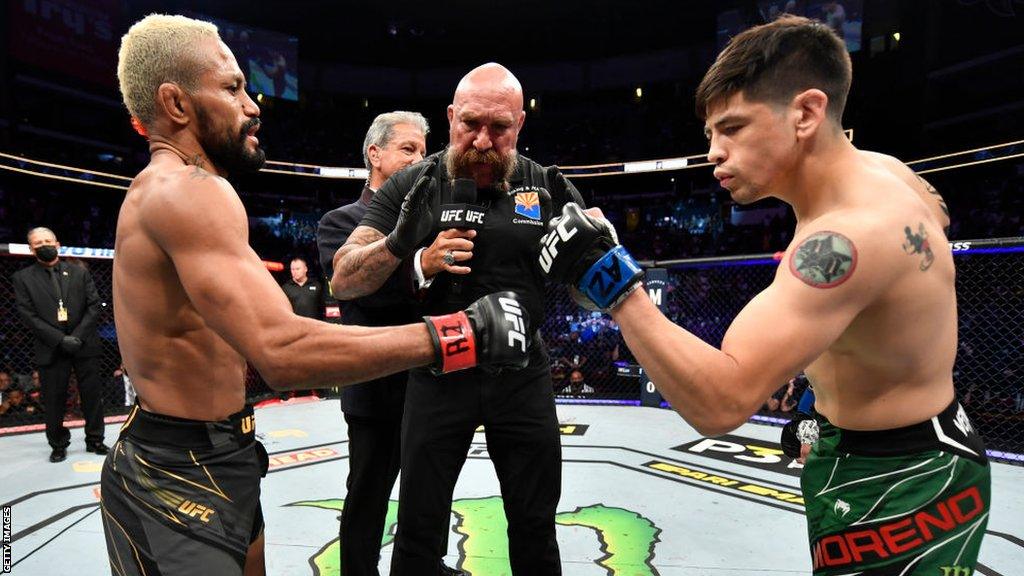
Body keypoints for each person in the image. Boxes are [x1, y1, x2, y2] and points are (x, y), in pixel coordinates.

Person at [538, 16, 988, 575]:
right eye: (710, 135)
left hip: (898, 476)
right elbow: (934, 221)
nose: (713, 152)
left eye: (733, 128)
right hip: (912, 443)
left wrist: (613, 283)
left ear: (805, 113)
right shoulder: (888, 172)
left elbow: (721, 403)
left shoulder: (842, 241)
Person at [107, 15, 532, 576]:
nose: (253, 105)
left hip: (215, 450)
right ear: (177, 104)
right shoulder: (185, 192)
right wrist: (460, 333)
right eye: (233, 88)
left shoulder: (183, 192)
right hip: (176, 469)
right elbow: (282, 352)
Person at [333, 63, 584, 575]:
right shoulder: (413, 182)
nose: (483, 140)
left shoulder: (547, 185)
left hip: (522, 374)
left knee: (536, 524)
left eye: (500, 128)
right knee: (420, 528)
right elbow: (344, 278)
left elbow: (591, 295)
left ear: (520, 125)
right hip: (437, 372)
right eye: (470, 124)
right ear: (450, 117)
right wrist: (401, 242)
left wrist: (594, 260)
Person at [317, 111, 462, 576]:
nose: (420, 159)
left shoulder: (435, 218)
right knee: (368, 494)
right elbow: (359, 293)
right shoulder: (341, 223)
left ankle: (425, 567)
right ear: (374, 154)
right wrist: (421, 262)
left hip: (434, 383)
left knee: (432, 490)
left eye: (423, 151)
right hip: (377, 388)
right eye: (408, 149)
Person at [12, 227, 108, 462]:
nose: (43, 245)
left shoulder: (78, 272)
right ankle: (58, 443)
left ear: (57, 244)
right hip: (51, 346)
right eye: (38, 242)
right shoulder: (22, 278)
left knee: (92, 395)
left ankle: (95, 439)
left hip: (83, 344)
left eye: (47, 240)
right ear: (30, 248)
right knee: (54, 398)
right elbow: (27, 315)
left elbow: (94, 305)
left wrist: (77, 336)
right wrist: (60, 339)